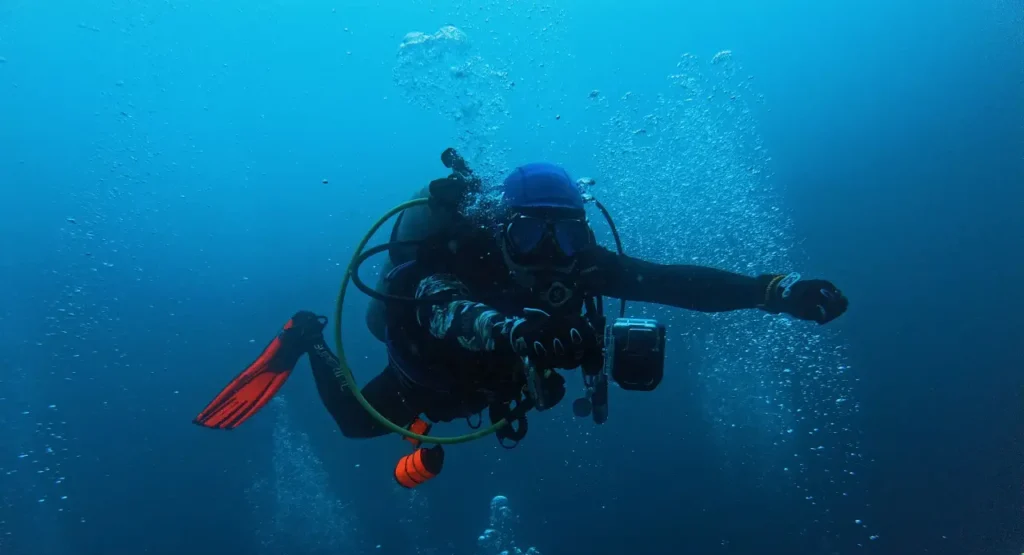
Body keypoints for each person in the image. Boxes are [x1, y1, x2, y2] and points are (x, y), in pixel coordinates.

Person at [194, 151, 848, 487]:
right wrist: (517, 331)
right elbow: (447, 311)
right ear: (504, 227)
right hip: (429, 374)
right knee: (356, 426)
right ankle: (306, 339)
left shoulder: (580, 265)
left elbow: (673, 281)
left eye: (565, 238)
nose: (550, 257)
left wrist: (771, 289)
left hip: (500, 385)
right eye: (533, 236)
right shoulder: (462, 256)